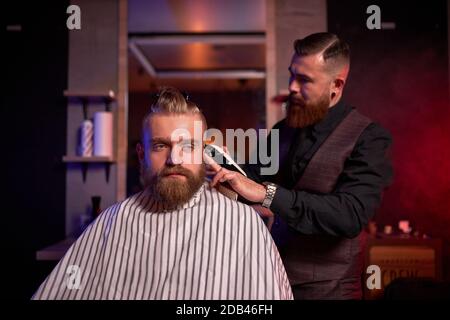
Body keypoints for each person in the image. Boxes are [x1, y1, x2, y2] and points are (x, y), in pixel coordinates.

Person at [32, 87, 293, 300]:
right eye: (160, 145)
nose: (174, 158)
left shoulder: (242, 224)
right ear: (142, 154)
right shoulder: (112, 222)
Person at [208, 33, 393, 299]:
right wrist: (221, 163)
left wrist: (266, 194)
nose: (292, 87)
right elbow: (251, 180)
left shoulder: (369, 138)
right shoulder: (283, 130)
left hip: (331, 291)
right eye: (292, 75)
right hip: (273, 278)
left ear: (336, 85)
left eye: (304, 80)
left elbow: (350, 215)